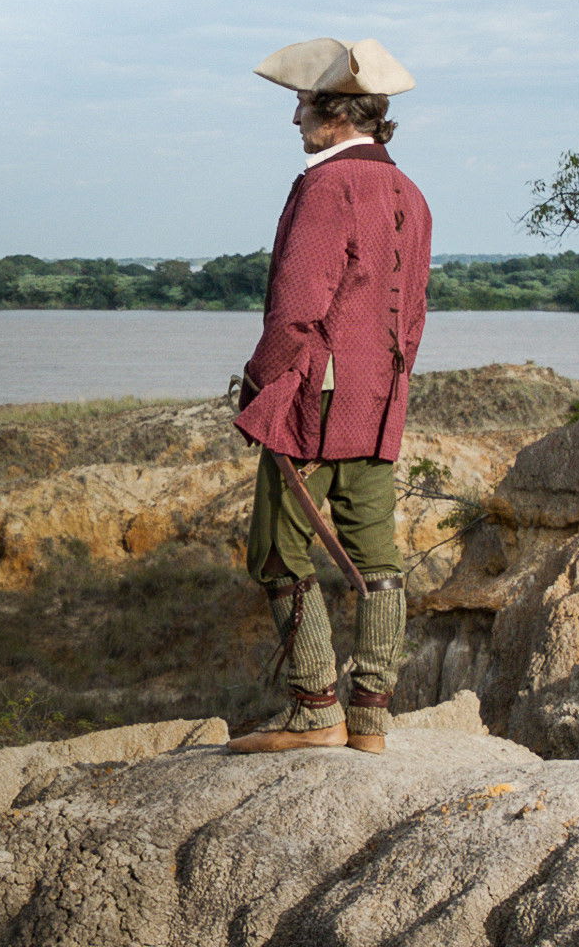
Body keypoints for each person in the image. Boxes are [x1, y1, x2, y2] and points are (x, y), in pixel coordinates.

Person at [225, 38, 432, 756]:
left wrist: (260, 385)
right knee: (376, 552)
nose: (294, 120)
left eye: (303, 106)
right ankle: (370, 719)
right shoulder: (411, 193)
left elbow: (297, 309)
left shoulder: (326, 187)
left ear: (337, 112)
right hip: (379, 395)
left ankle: (315, 707)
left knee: (278, 549)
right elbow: (413, 316)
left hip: (315, 396)